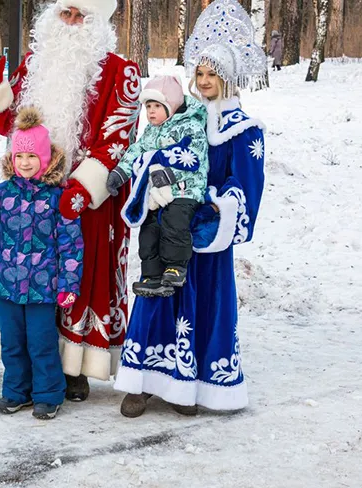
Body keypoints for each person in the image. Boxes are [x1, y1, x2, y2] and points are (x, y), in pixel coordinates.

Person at [0, 0, 142, 402]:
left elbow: (117, 141)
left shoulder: (121, 71)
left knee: (78, 282)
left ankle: (75, 369)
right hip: (28, 203)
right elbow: (9, 126)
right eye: (66, 13)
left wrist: (79, 194)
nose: (72, 22)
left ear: (99, 21)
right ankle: (27, 368)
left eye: (82, 15)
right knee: (30, 284)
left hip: (86, 201)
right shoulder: (34, 63)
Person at [115, 0, 267, 418]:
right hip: (169, 219)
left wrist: (219, 208)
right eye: (199, 74)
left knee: (204, 305)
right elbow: (152, 151)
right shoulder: (182, 118)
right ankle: (142, 382)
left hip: (209, 233)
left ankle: (193, 386)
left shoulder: (244, 130)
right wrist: (156, 183)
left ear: (228, 77)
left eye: (212, 74)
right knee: (155, 295)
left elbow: (247, 185)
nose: (204, 82)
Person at [0, 108, 83, 420]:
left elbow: (70, 244)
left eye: (32, 157)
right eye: (20, 156)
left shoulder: (57, 196)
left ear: (45, 159)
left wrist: (69, 285)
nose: (25, 163)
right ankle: (16, 391)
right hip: (6, 284)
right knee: (12, 343)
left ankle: (48, 394)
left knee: (42, 344)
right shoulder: (3, 193)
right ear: (12, 159)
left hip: (43, 288)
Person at [109, 75, 209, 298]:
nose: (151, 112)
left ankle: (176, 266)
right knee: (149, 227)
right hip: (156, 193)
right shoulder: (151, 131)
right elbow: (135, 152)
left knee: (174, 222)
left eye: (157, 106)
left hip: (186, 189)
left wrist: (168, 175)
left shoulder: (190, 126)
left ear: (171, 105)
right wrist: (120, 173)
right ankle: (152, 275)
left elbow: (194, 159)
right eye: (148, 107)